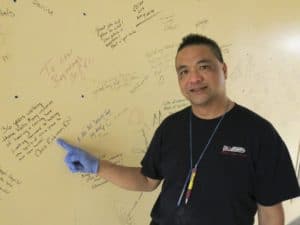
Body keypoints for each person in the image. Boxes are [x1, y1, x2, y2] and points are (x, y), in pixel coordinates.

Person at [56, 34, 300, 225]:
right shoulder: (171, 127)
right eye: (184, 72)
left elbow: (269, 210)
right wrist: (98, 166)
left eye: (203, 67)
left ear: (223, 70)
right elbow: (146, 180)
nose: (193, 79)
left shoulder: (258, 133)